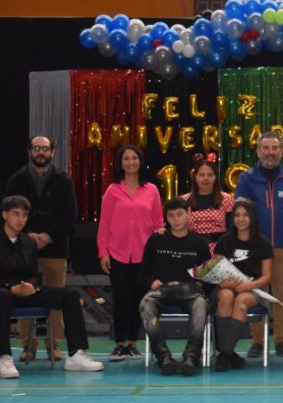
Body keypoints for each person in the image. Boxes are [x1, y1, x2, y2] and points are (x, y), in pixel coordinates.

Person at [0, 196, 104, 378]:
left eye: (24, 215)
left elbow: (33, 274)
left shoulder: (29, 242)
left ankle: (76, 354)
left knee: (71, 295)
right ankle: (4, 357)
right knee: (1, 296)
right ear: (4, 215)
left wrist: (32, 285)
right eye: (16, 214)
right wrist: (10, 287)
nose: (21, 219)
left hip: (24, 292)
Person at [5, 135, 78, 363]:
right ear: (29, 151)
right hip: (23, 250)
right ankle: (28, 346)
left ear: (52, 152)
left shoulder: (64, 181)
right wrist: (27, 236)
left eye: (45, 148)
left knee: (57, 299)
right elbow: (7, 211)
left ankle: (54, 345)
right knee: (25, 295)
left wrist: (49, 236)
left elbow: (71, 216)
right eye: (36, 148)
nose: (41, 152)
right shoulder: (16, 180)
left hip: (56, 249)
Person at [234, 131, 283, 358]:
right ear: (258, 151)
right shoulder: (247, 179)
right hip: (255, 247)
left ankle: (281, 340)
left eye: (275, 148)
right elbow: (240, 212)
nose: (270, 153)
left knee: (282, 293)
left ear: (281, 151)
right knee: (257, 292)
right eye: (266, 148)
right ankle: (257, 341)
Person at [97, 145, 164, 362]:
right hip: (117, 253)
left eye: (134, 158)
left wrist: (157, 253)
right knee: (121, 298)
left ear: (140, 161)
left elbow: (158, 224)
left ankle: (133, 343)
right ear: (120, 163)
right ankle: (119, 344)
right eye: (126, 158)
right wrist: (103, 252)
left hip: (144, 256)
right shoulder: (113, 190)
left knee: (138, 299)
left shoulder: (152, 190)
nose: (130, 162)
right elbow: (104, 224)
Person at [138, 197, 212, 376]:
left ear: (188, 214)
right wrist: (150, 281)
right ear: (166, 217)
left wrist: (202, 284)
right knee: (145, 305)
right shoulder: (156, 240)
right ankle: (163, 357)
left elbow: (209, 278)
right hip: (161, 289)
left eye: (180, 214)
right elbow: (141, 273)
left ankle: (192, 356)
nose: (176, 219)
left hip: (190, 290)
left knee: (201, 305)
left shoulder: (200, 243)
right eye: (171, 216)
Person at [211, 198, 272, 372]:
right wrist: (223, 282)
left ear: (252, 217)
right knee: (225, 296)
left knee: (242, 300)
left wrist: (248, 286)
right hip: (227, 287)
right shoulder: (224, 241)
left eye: (245, 215)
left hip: (253, 288)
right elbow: (217, 272)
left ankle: (224, 354)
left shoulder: (263, 243)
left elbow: (267, 277)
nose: (241, 219)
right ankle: (228, 353)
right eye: (237, 215)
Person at [180, 155, 234, 243]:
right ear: (195, 177)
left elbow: (232, 231)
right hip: (192, 247)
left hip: (219, 248)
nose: (206, 178)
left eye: (210, 175)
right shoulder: (183, 200)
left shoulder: (227, 199)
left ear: (216, 178)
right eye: (202, 175)